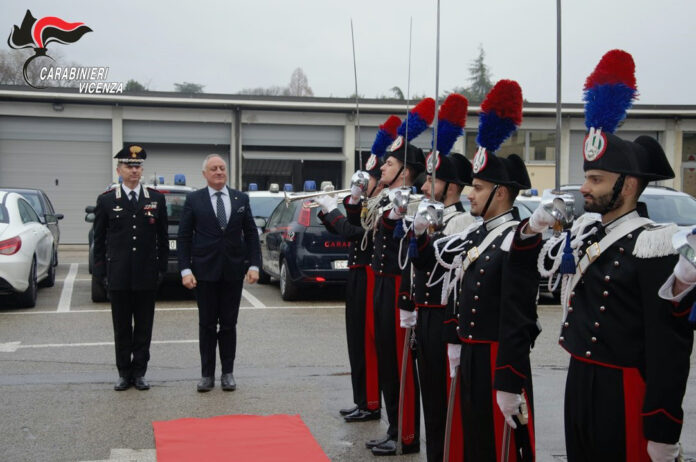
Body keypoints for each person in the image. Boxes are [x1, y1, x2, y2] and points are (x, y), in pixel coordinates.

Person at [530, 49, 693, 462]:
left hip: (624, 390)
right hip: (580, 378)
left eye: (596, 179)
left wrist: (662, 425)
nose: (584, 188)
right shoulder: (588, 234)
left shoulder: (654, 244)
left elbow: (668, 347)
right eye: (587, 176)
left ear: (629, 184)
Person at [436, 80, 539, 461]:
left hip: (499, 357)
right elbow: (457, 287)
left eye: (477, 188)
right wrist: (455, 337)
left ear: (500, 192)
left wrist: (510, 376)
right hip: (473, 352)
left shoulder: (518, 238)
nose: (469, 194)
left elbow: (519, 317)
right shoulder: (479, 235)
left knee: (500, 449)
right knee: (476, 442)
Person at [315, 116, 399, 423]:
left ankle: (371, 401)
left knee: (367, 341)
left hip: (368, 274)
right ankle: (362, 398)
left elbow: (356, 233)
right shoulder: (371, 202)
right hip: (357, 272)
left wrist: (333, 210)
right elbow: (350, 227)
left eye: (367, 181)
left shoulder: (382, 203)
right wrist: (343, 206)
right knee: (355, 341)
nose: (363, 186)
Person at [364, 97, 434, 456]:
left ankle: (406, 435)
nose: (382, 168)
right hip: (381, 283)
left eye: (388, 164)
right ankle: (394, 426)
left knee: (401, 363)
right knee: (387, 361)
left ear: (405, 170)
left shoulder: (413, 203)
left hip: (398, 286)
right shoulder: (388, 197)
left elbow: (409, 244)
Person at [402, 151, 475, 462]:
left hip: (446, 317)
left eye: (433, 180)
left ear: (453, 187)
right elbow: (415, 265)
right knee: (431, 400)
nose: (423, 186)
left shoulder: (465, 222)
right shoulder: (432, 214)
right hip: (426, 316)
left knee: (448, 402)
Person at [177, 153, 261, 392]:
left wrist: (254, 265)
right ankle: (206, 375)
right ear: (205, 174)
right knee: (206, 325)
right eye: (214, 169)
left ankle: (227, 373)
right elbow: (184, 237)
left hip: (233, 272)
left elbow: (251, 234)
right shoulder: (194, 199)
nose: (219, 172)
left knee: (228, 325)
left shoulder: (240, 198)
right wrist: (185, 269)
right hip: (204, 273)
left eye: (222, 168)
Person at [93, 145, 168, 391]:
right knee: (122, 327)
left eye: (137, 166)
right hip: (119, 275)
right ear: (119, 170)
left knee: (144, 327)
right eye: (129, 166)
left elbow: (163, 238)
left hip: (146, 275)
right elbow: (100, 240)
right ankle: (124, 373)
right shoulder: (106, 200)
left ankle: (140, 373)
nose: (134, 170)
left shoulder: (155, 199)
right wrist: (102, 273)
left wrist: (161, 270)